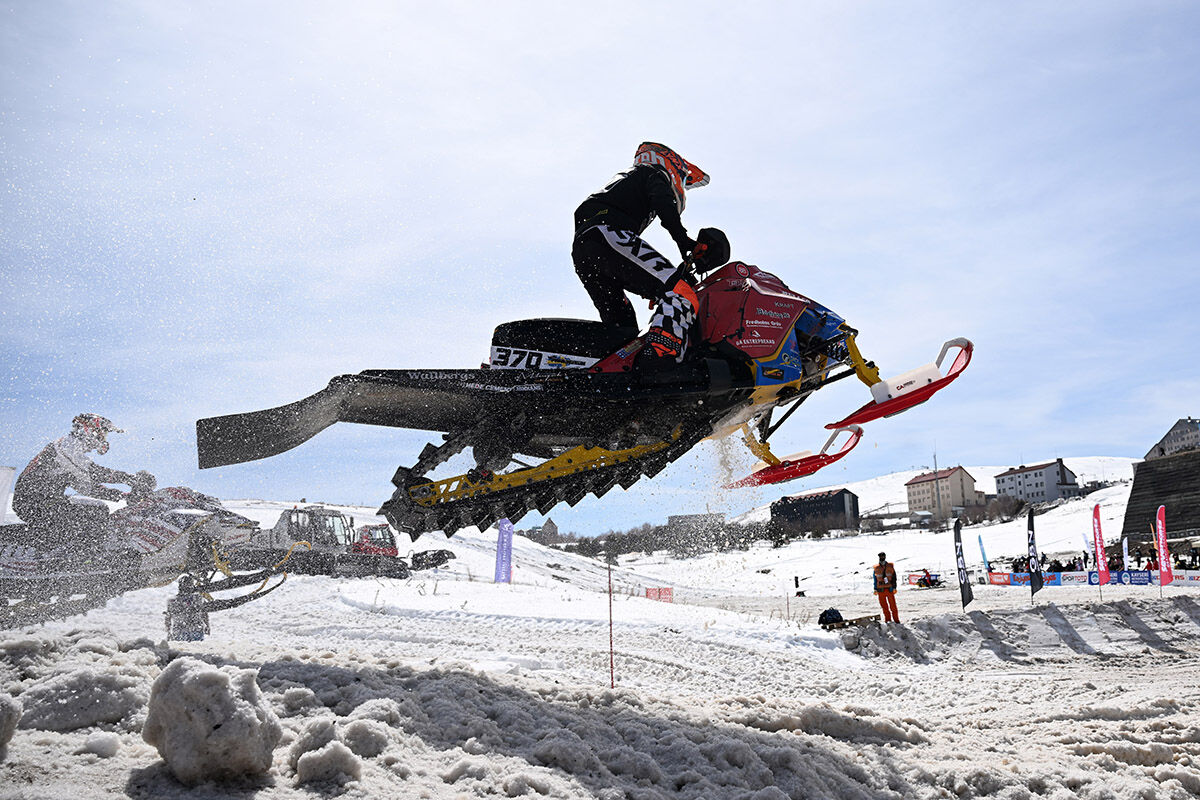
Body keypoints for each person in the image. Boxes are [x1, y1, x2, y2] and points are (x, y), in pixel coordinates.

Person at [572, 142, 713, 365]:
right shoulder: (654, 172)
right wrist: (684, 241)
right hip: (609, 234)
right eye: (684, 181)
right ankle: (660, 363)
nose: (682, 188)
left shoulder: (626, 181)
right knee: (681, 294)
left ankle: (611, 370)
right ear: (673, 165)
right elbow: (665, 205)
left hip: (586, 248)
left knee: (622, 326)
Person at [12, 413, 140, 534]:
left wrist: (123, 496)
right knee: (96, 511)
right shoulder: (68, 444)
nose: (104, 439)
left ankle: (68, 547)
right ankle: (80, 551)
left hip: (40, 503)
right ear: (91, 431)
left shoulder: (71, 453)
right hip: (33, 503)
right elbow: (94, 473)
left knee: (94, 509)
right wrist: (132, 479)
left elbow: (89, 488)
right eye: (104, 434)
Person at [873, 552, 899, 623]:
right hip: (880, 590)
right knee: (884, 607)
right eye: (880, 556)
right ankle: (888, 620)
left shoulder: (890, 566)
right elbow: (875, 579)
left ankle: (896, 620)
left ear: (885, 557)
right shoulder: (876, 568)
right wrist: (875, 588)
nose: (882, 557)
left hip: (889, 589)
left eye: (883, 556)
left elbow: (894, 577)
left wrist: (894, 587)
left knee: (893, 606)